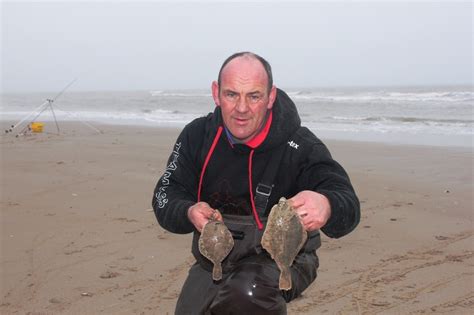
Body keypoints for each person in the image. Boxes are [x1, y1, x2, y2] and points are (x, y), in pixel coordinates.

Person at [152, 52, 360, 315]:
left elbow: (347, 201)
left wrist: (327, 204)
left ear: (271, 97)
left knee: (247, 293)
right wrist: (188, 211)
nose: (242, 108)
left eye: (254, 96)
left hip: (284, 261)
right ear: (216, 93)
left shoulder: (301, 146)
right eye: (231, 94)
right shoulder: (197, 136)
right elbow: (165, 193)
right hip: (213, 263)